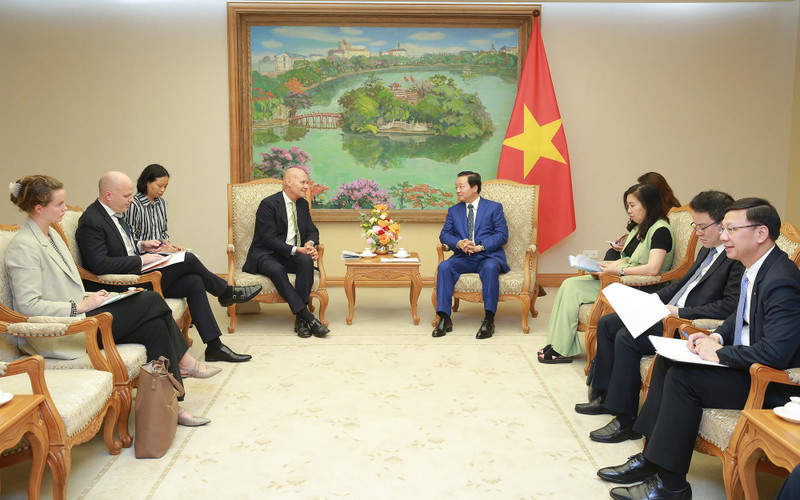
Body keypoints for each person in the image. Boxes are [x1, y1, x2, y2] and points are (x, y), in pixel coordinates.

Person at [598, 198, 800, 500]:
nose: (724, 236)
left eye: (731, 229)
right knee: (668, 361)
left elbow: (777, 353)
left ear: (760, 234)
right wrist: (716, 337)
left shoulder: (781, 279)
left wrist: (720, 354)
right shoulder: (757, 266)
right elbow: (739, 314)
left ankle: (672, 486)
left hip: (769, 382)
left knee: (684, 380)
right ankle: (649, 460)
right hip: (745, 362)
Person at [7, 175, 213, 426]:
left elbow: (68, 286)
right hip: (61, 330)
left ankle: (172, 407)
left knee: (156, 327)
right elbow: (29, 306)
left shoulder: (52, 236)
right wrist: (80, 306)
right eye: (59, 204)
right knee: (150, 300)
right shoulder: (23, 246)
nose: (65, 208)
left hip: (84, 314)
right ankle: (185, 362)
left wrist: (95, 299)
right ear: (39, 208)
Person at [576, 191, 744, 445]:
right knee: (608, 323)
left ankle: (626, 419)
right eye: (694, 226)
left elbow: (730, 305)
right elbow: (680, 285)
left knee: (627, 337)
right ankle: (605, 396)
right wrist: (652, 301)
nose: (696, 232)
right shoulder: (707, 251)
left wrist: (679, 312)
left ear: (722, 224)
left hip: (685, 323)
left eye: (701, 226)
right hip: (667, 311)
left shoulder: (736, 258)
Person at [76, 171, 259, 363]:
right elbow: (99, 264)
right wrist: (141, 260)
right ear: (108, 195)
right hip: (122, 284)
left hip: (135, 272)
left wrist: (141, 245)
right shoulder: (92, 220)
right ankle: (226, 292)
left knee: (193, 281)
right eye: (126, 196)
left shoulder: (114, 213)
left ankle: (214, 346)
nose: (131, 200)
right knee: (187, 259)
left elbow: (119, 246)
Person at [539, 183, 674, 363]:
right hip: (622, 279)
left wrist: (618, 271)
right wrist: (601, 267)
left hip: (641, 286)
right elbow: (627, 257)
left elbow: (653, 268)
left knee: (574, 289)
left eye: (632, 205)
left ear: (648, 204)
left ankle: (562, 349)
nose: (629, 210)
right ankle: (556, 343)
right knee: (568, 283)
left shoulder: (661, 230)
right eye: (627, 206)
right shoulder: (639, 228)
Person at [242, 167, 329, 338]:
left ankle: (301, 320)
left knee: (305, 262)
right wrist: (297, 249)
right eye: (303, 182)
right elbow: (269, 239)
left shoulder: (303, 204)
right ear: (289, 182)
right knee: (276, 269)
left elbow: (313, 230)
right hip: (266, 254)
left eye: (307, 183)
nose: (307, 186)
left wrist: (310, 244)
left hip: (291, 255)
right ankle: (307, 317)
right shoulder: (268, 204)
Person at [433, 171, 509, 340]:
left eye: (461, 186)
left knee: (490, 268)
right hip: (463, 257)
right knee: (444, 266)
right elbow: (445, 234)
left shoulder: (494, 207)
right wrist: (458, 243)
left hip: (487, 256)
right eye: (456, 187)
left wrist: (480, 247)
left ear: (475, 188)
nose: (458, 190)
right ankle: (444, 318)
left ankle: (489, 319)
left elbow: (502, 234)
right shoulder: (454, 210)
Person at [606, 172, 681, 260]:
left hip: (642, 267)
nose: (629, 210)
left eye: (633, 205)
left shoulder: (661, 227)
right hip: (632, 264)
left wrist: (620, 270)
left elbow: (652, 265)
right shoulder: (642, 221)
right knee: (611, 254)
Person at [125, 163, 183, 252]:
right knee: (189, 260)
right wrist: (159, 249)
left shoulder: (162, 203)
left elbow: (162, 233)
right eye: (160, 186)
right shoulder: (134, 204)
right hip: (142, 255)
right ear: (147, 182)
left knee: (187, 257)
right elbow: (130, 239)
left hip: (160, 253)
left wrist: (169, 246)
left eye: (165, 186)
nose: (163, 189)